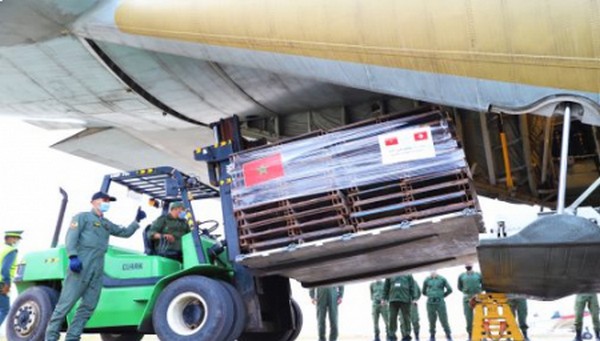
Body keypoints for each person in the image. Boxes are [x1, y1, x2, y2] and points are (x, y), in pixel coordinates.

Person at [45, 191, 146, 341]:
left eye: (108, 201)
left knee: (88, 307)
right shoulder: (82, 217)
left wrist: (136, 221)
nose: (106, 203)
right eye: (103, 200)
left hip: (98, 267)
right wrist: (72, 256)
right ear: (93, 202)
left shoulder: (106, 223)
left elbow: (124, 232)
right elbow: (71, 237)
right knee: (65, 305)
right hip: (81, 265)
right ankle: (51, 337)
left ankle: (72, 338)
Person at [384, 275, 420, 341]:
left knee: (406, 318)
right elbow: (386, 287)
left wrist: (414, 298)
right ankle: (392, 335)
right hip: (393, 299)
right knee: (392, 318)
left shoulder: (408, 275)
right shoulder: (390, 274)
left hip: (405, 299)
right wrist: (384, 298)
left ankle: (407, 335)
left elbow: (412, 287)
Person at [0, 230, 23, 325]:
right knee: (5, 309)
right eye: (16, 239)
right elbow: (5, 269)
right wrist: (7, 285)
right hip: (2, 283)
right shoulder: (11, 251)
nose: (17, 241)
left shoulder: (1, 248)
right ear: (10, 238)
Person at [423, 271, 453, 341]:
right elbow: (423, 291)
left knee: (444, 319)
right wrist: (430, 295)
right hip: (430, 303)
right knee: (431, 320)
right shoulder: (426, 280)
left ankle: (448, 335)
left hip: (440, 302)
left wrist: (442, 296)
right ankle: (432, 336)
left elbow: (450, 289)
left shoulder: (442, 279)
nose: (432, 272)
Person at [457, 264, 482, 341]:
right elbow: (459, 287)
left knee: (480, 316)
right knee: (468, 317)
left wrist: (478, 292)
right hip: (467, 298)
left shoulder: (478, 275)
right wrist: (467, 292)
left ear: (472, 265)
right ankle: (470, 334)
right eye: (466, 264)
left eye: (470, 263)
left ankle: (481, 334)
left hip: (478, 298)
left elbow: (484, 284)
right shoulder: (461, 276)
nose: (468, 265)